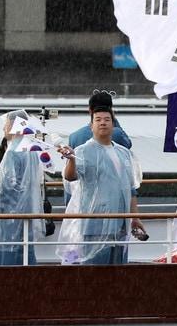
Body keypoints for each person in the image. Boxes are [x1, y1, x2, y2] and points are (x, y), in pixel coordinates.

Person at [58, 98, 145, 265]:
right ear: (91, 125)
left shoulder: (123, 153)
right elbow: (70, 176)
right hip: (94, 224)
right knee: (94, 275)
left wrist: (135, 217)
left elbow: (131, 187)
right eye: (98, 120)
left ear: (113, 125)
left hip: (120, 223)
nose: (103, 123)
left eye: (107, 120)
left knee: (117, 273)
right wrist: (71, 159)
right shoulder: (83, 150)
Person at [0, 111, 47, 266]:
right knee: (26, 255)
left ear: (14, 125)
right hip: (28, 211)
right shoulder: (31, 150)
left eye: (6, 124)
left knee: (8, 258)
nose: (3, 129)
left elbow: (5, 186)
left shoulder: (12, 151)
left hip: (9, 215)